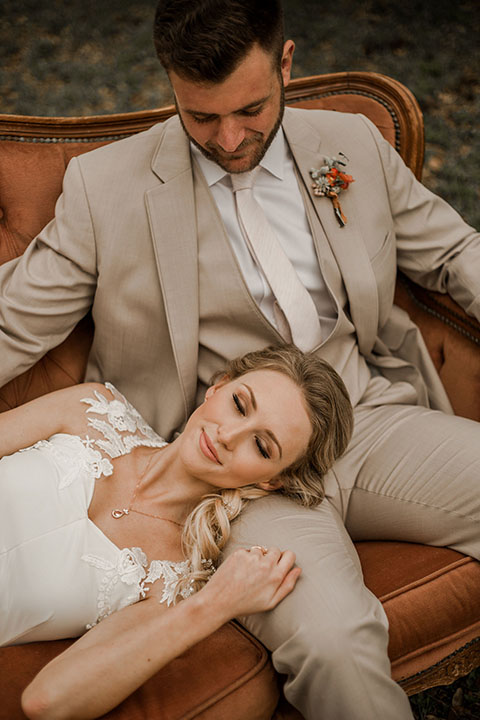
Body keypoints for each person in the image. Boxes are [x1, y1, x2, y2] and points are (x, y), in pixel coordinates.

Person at [0, 0, 478, 718]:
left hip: (366, 416)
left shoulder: (348, 143)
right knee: (334, 641)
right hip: (233, 482)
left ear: (285, 63)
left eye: (250, 110)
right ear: (172, 84)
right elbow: (13, 322)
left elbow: (450, 251)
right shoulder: (106, 189)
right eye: (201, 118)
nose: (228, 138)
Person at [1, 344, 353, 719]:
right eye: (238, 404)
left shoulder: (174, 581)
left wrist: (213, 606)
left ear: (273, 481)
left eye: (261, 446)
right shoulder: (92, 408)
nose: (228, 435)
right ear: (218, 386)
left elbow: (47, 701)